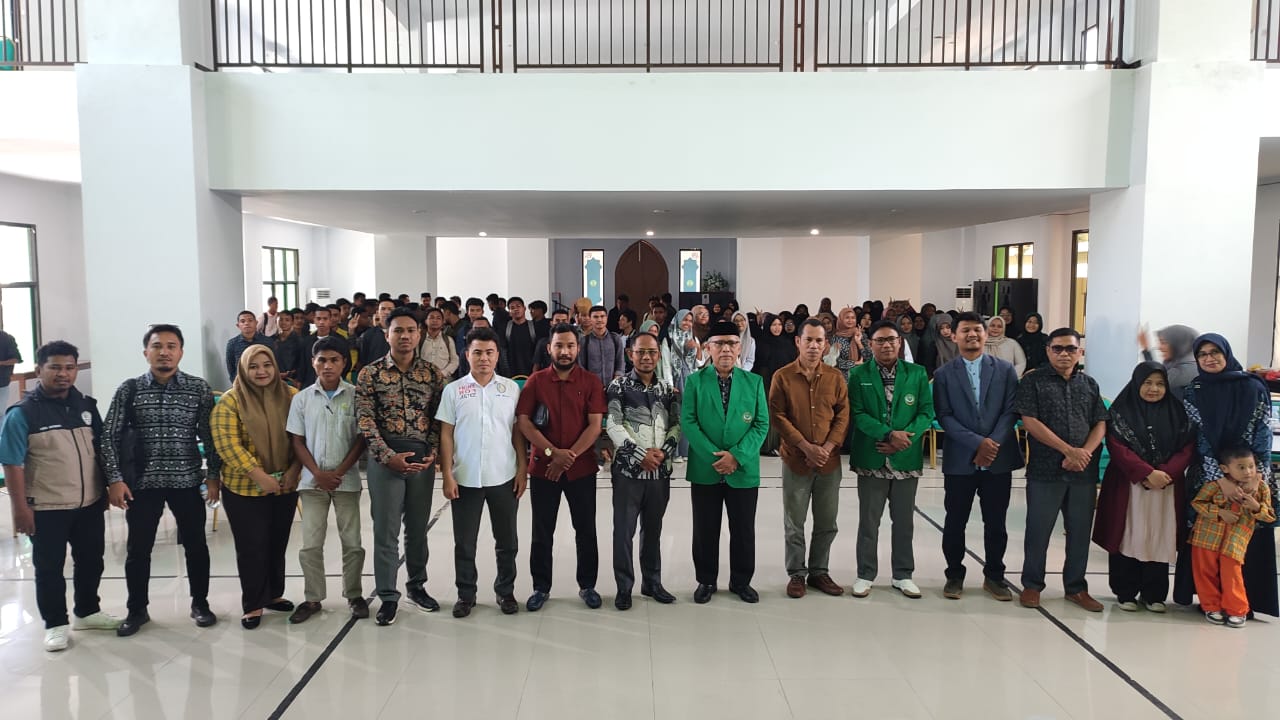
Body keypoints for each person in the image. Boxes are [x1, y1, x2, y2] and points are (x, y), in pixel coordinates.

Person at [0, 341, 122, 651]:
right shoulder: (23, 413)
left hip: (89, 504)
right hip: (46, 506)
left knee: (91, 561)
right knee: (49, 568)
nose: (63, 374)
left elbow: (102, 450)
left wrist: (110, 486)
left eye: (69, 367)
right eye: (55, 367)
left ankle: (87, 611)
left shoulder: (86, 406)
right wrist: (19, 509)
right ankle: (55, 624)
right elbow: (12, 464)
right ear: (39, 370)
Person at [103, 324, 220, 637]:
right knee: (138, 550)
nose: (164, 352)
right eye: (157, 346)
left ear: (181, 352)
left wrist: (213, 476)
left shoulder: (198, 388)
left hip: (186, 481)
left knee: (196, 547)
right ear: (146, 353)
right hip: (142, 485)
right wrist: (114, 479)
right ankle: (136, 610)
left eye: (171, 346)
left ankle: (200, 604)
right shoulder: (129, 390)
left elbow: (210, 437)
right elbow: (109, 436)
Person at [356, 307, 447, 626]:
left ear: (419, 334)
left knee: (418, 528)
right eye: (398, 330)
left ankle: (416, 586)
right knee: (386, 529)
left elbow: (440, 417)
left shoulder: (433, 374)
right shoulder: (370, 374)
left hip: (421, 459)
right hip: (385, 460)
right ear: (387, 335)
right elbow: (365, 420)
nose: (405, 336)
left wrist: (432, 451)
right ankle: (387, 596)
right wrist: (387, 455)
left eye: (410, 330)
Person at [1175, 333, 1278, 617]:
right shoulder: (1195, 390)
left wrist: (1254, 476)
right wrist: (1219, 479)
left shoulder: (1253, 386)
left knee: (1246, 537)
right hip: (1209, 476)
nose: (1209, 359)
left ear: (1226, 353)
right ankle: (1210, 600)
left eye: (1214, 352)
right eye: (1202, 354)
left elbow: (1263, 430)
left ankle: (1244, 602)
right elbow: (1199, 436)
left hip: (1250, 473)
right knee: (1207, 541)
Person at [1014, 328, 1108, 612]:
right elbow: (1030, 421)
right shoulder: (1033, 382)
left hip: (1083, 472)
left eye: (1070, 349)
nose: (1064, 354)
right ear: (1048, 351)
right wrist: (1068, 451)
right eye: (1057, 348)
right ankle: (1032, 585)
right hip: (1046, 470)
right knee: (1038, 530)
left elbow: (1100, 422)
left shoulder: (1089, 384)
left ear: (1080, 352)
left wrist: (1084, 453)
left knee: (1079, 531)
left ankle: (1076, 588)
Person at [438, 327, 528, 618]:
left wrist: (522, 468)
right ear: (467, 355)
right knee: (465, 542)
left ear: (497, 355)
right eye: (477, 352)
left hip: (503, 475)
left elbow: (517, 432)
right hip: (465, 478)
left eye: (489, 352)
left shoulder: (510, 389)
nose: (484, 358)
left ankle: (506, 591)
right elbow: (446, 434)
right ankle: (466, 595)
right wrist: (447, 474)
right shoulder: (453, 390)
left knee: (507, 541)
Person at [516, 324, 607, 611]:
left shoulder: (591, 382)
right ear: (549, 348)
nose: (564, 351)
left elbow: (595, 426)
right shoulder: (536, 381)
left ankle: (588, 585)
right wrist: (551, 453)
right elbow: (524, 422)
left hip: (582, 469)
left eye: (570, 346)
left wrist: (568, 456)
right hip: (544, 470)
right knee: (542, 531)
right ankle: (541, 587)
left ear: (578, 348)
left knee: (586, 529)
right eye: (559, 346)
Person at [931, 313, 1022, 601]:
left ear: (985, 334)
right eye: (966, 330)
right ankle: (954, 575)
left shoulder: (1005, 370)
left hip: (998, 459)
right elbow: (944, 416)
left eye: (977, 330)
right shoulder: (944, 374)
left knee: (996, 523)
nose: (972, 334)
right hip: (960, 460)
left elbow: (1011, 411)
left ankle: (994, 576)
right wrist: (977, 443)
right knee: (955, 521)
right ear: (954, 336)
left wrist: (992, 443)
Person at [1091, 362, 1195, 612]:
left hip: (1166, 489)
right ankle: (1125, 591)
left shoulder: (1178, 413)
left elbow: (1187, 447)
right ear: (1137, 383)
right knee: (1128, 534)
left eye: (1160, 384)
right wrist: (1146, 473)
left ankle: (1154, 594)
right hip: (1129, 485)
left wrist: (1166, 473)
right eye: (1147, 383)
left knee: (1159, 536)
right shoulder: (1120, 411)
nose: (1153, 389)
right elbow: (1117, 446)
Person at [211, 345, 301, 629]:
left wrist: (294, 470)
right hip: (244, 487)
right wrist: (259, 475)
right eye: (253, 366)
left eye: (267, 365)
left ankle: (273, 594)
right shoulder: (230, 401)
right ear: (243, 369)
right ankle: (253, 603)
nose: (261, 371)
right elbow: (227, 443)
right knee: (252, 546)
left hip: (286, 485)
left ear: (275, 367)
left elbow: (303, 437)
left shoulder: (292, 396)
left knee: (277, 542)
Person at [683, 320, 770, 604]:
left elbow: (761, 424)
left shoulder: (754, 382)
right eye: (719, 343)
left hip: (742, 469)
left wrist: (736, 456)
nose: (726, 349)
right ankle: (706, 580)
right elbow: (689, 422)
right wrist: (716, 457)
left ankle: (741, 581)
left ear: (740, 348)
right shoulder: (695, 381)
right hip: (705, 468)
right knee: (705, 529)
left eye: (732, 343)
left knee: (743, 529)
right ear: (708, 348)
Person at [848, 320, 935, 599]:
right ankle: (865, 574)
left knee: (904, 522)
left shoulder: (917, 373)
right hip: (871, 456)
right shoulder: (858, 374)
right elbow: (857, 413)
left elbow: (926, 412)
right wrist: (887, 434)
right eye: (880, 340)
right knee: (868, 522)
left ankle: (903, 574)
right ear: (870, 344)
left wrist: (903, 439)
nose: (886, 345)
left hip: (905, 457)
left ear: (900, 343)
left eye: (891, 340)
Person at [286, 336, 369, 624]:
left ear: (345, 363)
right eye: (322, 360)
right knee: (310, 544)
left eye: (334, 360)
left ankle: (354, 594)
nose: (328, 365)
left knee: (352, 542)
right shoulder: (302, 399)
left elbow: (361, 439)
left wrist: (340, 471)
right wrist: (318, 473)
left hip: (346, 482)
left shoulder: (356, 396)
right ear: (313, 363)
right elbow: (297, 440)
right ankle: (312, 598)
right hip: (313, 483)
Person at [769, 319, 849, 599]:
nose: (814, 346)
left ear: (826, 345)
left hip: (829, 462)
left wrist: (826, 447)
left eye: (819, 341)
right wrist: (805, 446)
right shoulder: (782, 376)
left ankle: (819, 571)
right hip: (796, 461)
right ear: (798, 342)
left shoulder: (835, 378)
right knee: (795, 522)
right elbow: (777, 416)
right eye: (809, 340)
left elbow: (843, 415)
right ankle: (796, 573)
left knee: (827, 522)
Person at [605, 332, 681, 610]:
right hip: (628, 473)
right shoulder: (618, 386)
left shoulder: (667, 390)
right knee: (623, 532)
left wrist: (665, 452)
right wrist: (639, 455)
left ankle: (652, 583)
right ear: (630, 354)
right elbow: (613, 424)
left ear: (659, 356)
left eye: (652, 352)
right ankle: (624, 587)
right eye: (641, 352)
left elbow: (676, 424)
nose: (647, 357)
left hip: (660, 473)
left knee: (653, 530)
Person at [1188, 447, 1276, 627]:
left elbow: (1270, 516)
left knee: (1232, 574)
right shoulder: (1215, 485)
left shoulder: (1261, 488)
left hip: (1235, 541)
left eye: (1251, 466)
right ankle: (1211, 607)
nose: (1248, 472)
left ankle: (1237, 610)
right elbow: (1198, 503)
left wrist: (1255, 506)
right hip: (1206, 537)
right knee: (1204, 572)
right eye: (1241, 467)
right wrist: (1219, 512)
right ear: (1225, 468)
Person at [1138, 324, 1199, 399]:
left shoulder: (1186, 370)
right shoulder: (1182, 365)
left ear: (1177, 344)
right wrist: (1146, 349)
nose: (1159, 347)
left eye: (1164, 343)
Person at [580, 305, 626, 387]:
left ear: (606, 318)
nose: (599, 320)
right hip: (591, 387)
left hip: (613, 386)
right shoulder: (584, 341)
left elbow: (620, 363)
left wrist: (616, 381)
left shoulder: (615, 339)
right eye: (595, 317)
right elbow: (581, 366)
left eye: (602, 316)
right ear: (590, 319)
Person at [225, 310, 274, 383]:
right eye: (243, 321)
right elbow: (231, 368)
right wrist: (236, 383)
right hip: (241, 383)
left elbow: (273, 363)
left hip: (264, 380)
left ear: (256, 323)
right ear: (238, 325)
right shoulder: (232, 344)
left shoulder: (267, 342)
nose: (246, 323)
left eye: (250, 320)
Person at [501, 297, 539, 377]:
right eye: (512, 308)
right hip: (510, 372)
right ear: (509, 312)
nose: (516, 309)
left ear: (524, 308)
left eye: (518, 306)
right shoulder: (505, 328)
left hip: (532, 371)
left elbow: (538, 351)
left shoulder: (534, 327)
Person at [356, 298, 395, 373]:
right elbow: (363, 359)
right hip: (374, 374)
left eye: (390, 309)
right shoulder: (368, 334)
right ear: (377, 312)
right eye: (383, 309)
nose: (386, 312)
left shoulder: (400, 333)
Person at [420, 306, 460, 378]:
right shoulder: (419, 339)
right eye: (431, 318)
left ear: (443, 322)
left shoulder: (448, 340)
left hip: (443, 379)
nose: (435, 320)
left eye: (438, 318)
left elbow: (454, 361)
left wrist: (443, 373)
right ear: (426, 321)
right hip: (422, 378)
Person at [272, 311, 306, 386]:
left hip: (292, 379)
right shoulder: (272, 339)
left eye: (287, 320)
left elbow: (302, 362)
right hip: (273, 378)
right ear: (276, 321)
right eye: (281, 319)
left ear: (292, 322)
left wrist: (297, 378)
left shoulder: (299, 341)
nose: (283, 322)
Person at [0, 322, 21, 408]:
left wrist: (1, 363)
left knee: (0, 412)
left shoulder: (7, 338)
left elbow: (16, 359)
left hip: (2, 382)